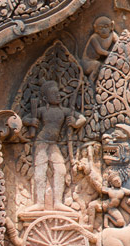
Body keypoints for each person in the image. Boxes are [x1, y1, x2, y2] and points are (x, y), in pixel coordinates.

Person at [24, 80, 86, 211]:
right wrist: (31, 121)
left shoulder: (64, 111)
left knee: (61, 170)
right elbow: (24, 119)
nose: (58, 95)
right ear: (46, 98)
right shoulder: (41, 110)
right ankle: (39, 203)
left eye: (58, 93)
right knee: (40, 170)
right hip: (41, 141)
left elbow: (82, 118)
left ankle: (58, 202)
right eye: (54, 93)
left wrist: (75, 124)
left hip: (53, 144)